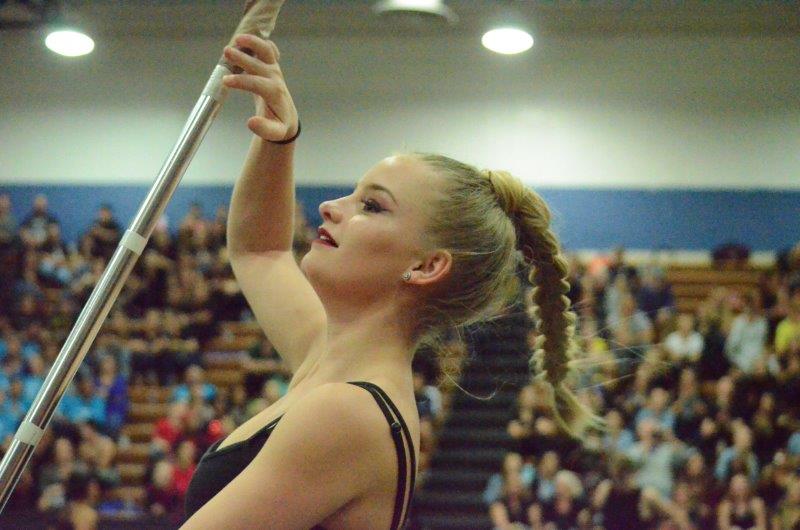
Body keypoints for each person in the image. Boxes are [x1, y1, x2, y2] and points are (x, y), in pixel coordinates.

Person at [181, 34, 596, 529]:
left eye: (371, 205)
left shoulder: (347, 412)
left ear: (426, 266)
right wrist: (279, 138)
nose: (329, 207)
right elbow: (261, 252)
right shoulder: (327, 360)